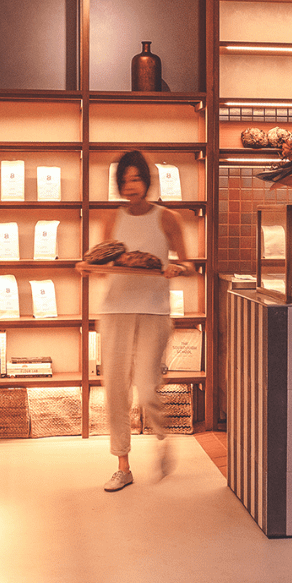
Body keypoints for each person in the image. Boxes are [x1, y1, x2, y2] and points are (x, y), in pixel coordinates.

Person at [76, 150, 194, 492]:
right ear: (118, 185)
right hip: (115, 310)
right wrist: (87, 269)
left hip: (154, 310)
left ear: (147, 181)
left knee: (146, 383)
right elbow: (104, 266)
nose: (131, 186)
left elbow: (189, 264)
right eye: (125, 180)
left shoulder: (168, 218)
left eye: (136, 179)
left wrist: (176, 269)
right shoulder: (112, 219)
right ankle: (122, 465)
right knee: (114, 388)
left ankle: (162, 436)